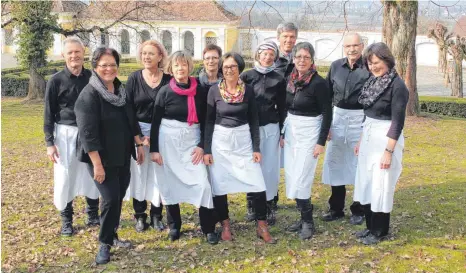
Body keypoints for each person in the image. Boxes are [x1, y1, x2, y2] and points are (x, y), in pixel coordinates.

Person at [75, 47, 145, 264]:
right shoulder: (89, 95)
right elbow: (88, 134)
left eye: (112, 64)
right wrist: (97, 165)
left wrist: (139, 144)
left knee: (118, 197)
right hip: (100, 157)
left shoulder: (120, 90)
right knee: (110, 198)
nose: (108, 69)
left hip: (122, 153)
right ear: (95, 67)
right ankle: (104, 244)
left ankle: (113, 235)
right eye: (103, 65)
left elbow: (130, 119)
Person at [204, 52, 276, 244]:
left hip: (244, 141)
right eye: (226, 67)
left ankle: (262, 226)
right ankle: (226, 225)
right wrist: (207, 150)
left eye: (233, 66)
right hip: (221, 143)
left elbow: (254, 119)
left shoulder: (249, 90)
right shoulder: (213, 91)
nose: (229, 70)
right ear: (222, 69)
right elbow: (209, 121)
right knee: (220, 185)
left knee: (258, 183)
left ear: (240, 68)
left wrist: (256, 147)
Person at [149, 50, 218, 245]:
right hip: (167, 143)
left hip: (192, 144)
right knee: (169, 185)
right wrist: (154, 149)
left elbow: (206, 121)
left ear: (190, 66)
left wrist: (202, 146)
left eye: (184, 64)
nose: (181, 68)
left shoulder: (200, 91)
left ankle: (208, 228)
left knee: (202, 184)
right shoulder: (164, 91)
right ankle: (174, 226)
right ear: (171, 67)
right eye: (177, 65)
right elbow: (155, 123)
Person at [43, 36, 100, 237]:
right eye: (70, 53)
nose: (74, 56)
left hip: (89, 133)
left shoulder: (93, 77)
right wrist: (50, 143)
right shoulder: (55, 80)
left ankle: (93, 214)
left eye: (77, 52)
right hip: (65, 133)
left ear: (84, 53)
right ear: (63, 55)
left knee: (91, 173)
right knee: (65, 176)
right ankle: (66, 220)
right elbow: (48, 113)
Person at [353, 42, 408, 245]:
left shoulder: (398, 86)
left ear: (387, 60)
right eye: (370, 63)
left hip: (386, 139)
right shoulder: (372, 82)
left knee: (381, 183)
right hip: (368, 135)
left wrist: (388, 151)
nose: (373, 66)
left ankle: (379, 231)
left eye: (376, 62)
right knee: (366, 182)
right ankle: (369, 227)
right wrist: (361, 140)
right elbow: (367, 115)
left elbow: (397, 122)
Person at [281, 42, 332, 240]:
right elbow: (286, 108)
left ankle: (309, 221)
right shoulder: (290, 79)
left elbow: (327, 113)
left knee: (302, 176)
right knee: (293, 175)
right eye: (298, 56)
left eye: (306, 57)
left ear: (312, 60)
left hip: (310, 132)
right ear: (293, 59)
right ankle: (302, 218)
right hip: (292, 131)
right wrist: (283, 133)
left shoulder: (319, 83)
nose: (302, 60)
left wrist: (321, 142)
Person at [321, 33, 370, 225]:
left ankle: (359, 209)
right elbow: (326, 95)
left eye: (355, 45)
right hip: (338, 118)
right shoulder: (335, 66)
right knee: (336, 163)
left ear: (362, 46)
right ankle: (336, 208)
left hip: (359, 119)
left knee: (359, 165)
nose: (352, 49)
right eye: (348, 46)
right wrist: (327, 126)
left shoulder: (369, 67)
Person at [124, 40, 171, 232]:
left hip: (163, 133)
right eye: (144, 53)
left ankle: (157, 214)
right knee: (140, 174)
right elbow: (128, 110)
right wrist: (138, 139)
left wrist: (158, 135)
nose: (146, 57)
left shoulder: (169, 79)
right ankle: (140, 215)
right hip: (139, 133)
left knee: (159, 175)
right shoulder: (134, 78)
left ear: (160, 56)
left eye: (151, 53)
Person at [240, 41, 286, 226]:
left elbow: (282, 106)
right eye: (264, 54)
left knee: (269, 167)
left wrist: (283, 131)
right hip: (250, 127)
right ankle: (252, 203)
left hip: (271, 127)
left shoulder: (278, 78)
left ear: (274, 57)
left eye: (271, 54)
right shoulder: (247, 76)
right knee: (252, 165)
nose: (267, 57)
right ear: (258, 55)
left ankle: (268, 205)